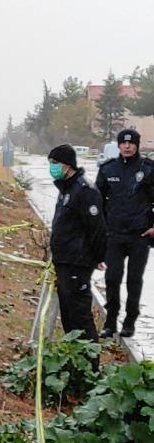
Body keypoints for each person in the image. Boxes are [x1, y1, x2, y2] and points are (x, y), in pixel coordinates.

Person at [95, 129, 154, 338]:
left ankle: (130, 322)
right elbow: (96, 203)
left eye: (131, 143)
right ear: (118, 145)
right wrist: (97, 231)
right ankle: (110, 323)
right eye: (123, 143)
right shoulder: (108, 169)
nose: (127, 147)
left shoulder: (148, 169)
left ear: (137, 145)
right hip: (114, 235)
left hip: (140, 236)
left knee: (134, 280)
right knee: (111, 278)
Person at [48, 144, 107, 347]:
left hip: (77, 262)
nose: (52, 167)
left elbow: (97, 228)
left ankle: (90, 366)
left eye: (55, 163)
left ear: (67, 165)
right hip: (64, 261)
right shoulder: (65, 189)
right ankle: (75, 363)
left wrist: (99, 257)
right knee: (68, 316)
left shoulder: (84, 191)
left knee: (80, 317)